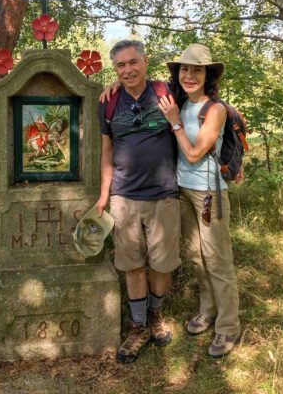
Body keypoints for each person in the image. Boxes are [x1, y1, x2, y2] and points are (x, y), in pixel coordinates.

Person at [96, 40, 181, 364]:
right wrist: (105, 195)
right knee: (131, 264)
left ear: (145, 62)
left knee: (161, 264)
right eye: (120, 65)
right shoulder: (108, 102)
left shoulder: (164, 93)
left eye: (133, 62)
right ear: (114, 69)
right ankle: (138, 326)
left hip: (163, 195)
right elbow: (107, 152)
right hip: (124, 197)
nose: (128, 70)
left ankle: (155, 314)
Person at [158, 43, 241, 358]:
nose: (189, 75)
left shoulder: (214, 109)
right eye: (184, 69)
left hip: (208, 193)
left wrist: (175, 121)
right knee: (195, 256)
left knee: (217, 260)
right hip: (183, 190)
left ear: (208, 75)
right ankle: (208, 311)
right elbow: (134, 83)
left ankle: (228, 327)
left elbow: (193, 154)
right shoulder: (179, 101)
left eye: (197, 69)